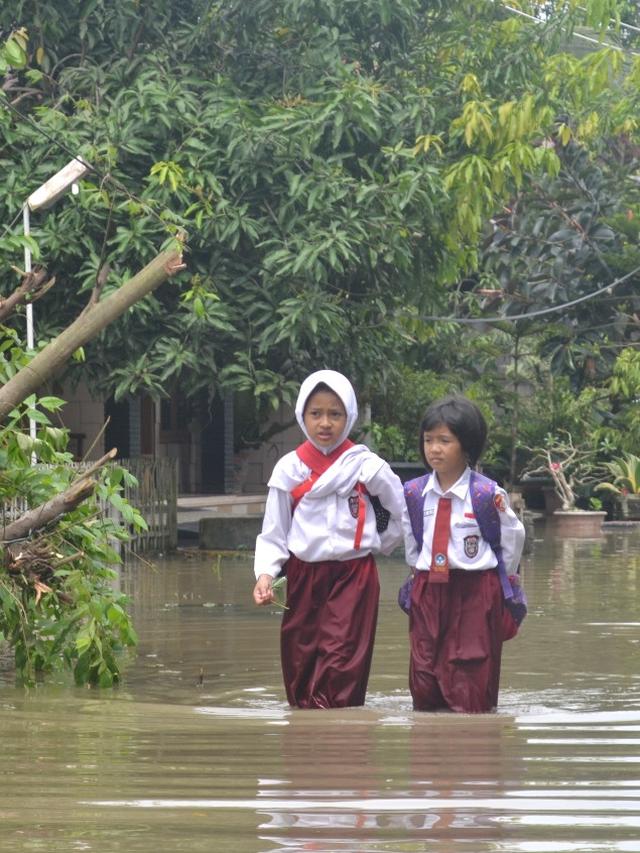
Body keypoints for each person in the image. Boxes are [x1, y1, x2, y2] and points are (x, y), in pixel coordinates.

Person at [253, 369, 406, 709]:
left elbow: (402, 514)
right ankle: (305, 730)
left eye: (335, 414)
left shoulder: (367, 467)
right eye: (316, 413)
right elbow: (275, 531)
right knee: (300, 656)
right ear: (302, 416)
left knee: (342, 657)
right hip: (303, 575)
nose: (325, 423)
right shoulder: (289, 469)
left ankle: (335, 730)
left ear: (349, 415)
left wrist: (380, 544)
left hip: (354, 575)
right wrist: (265, 575)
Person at [403, 395, 525, 713]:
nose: (434, 448)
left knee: (471, 669)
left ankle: (472, 736)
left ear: (466, 446)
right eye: (428, 440)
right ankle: (428, 734)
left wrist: (501, 580)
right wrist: (416, 572)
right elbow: (410, 537)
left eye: (445, 441)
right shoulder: (414, 492)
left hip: (475, 590)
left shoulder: (487, 493)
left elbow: (513, 538)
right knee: (424, 669)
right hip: (428, 589)